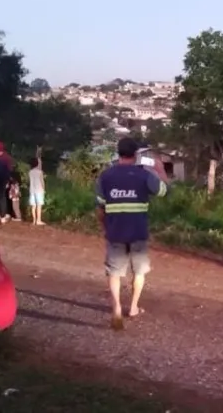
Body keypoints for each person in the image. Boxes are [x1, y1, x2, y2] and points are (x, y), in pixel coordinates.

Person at [95, 137, 168, 330]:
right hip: (138, 231)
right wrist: (160, 170)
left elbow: (100, 209)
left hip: (115, 231)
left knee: (114, 272)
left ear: (118, 153)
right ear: (136, 155)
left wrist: (105, 229)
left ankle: (117, 308)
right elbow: (163, 191)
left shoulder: (106, 176)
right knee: (139, 271)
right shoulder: (143, 175)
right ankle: (133, 307)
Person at [28, 157, 46, 225]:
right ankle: (39, 220)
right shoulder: (40, 172)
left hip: (32, 190)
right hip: (39, 190)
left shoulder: (30, 172)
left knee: (33, 206)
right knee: (39, 205)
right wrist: (44, 189)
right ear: (37, 164)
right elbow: (42, 181)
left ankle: (34, 220)